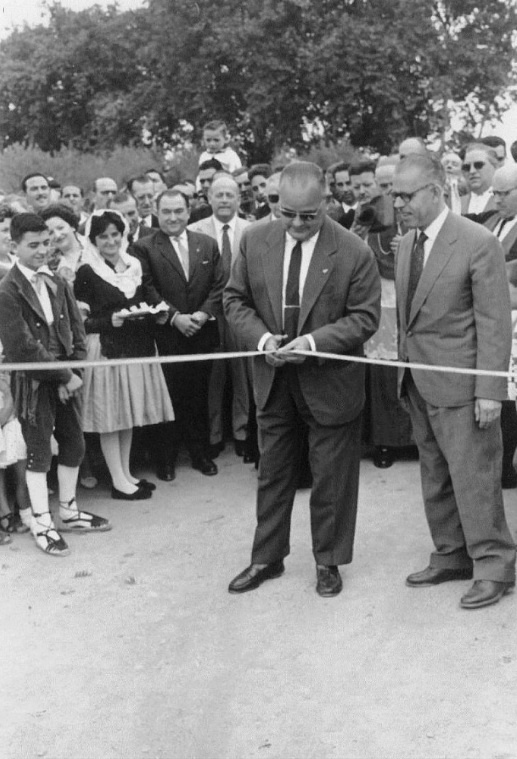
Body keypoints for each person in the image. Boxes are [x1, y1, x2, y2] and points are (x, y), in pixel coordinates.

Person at [224, 161, 381, 597]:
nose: (295, 223)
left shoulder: (353, 251)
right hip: (272, 380)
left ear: (326, 202)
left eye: (307, 216)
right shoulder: (255, 239)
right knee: (272, 472)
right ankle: (267, 557)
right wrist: (262, 339)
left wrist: (311, 343)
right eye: (285, 212)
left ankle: (328, 561)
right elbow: (235, 299)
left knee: (332, 476)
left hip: (330, 383)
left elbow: (365, 318)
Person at [393, 153, 516, 609]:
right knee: (436, 475)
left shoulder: (476, 241)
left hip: (464, 388)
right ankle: (451, 554)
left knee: (476, 477)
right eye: (394, 196)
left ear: (437, 190)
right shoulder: (408, 243)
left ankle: (495, 565)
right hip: (417, 383)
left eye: (406, 195)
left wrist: (489, 391)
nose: (398, 204)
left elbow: (494, 322)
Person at [0, 213, 111, 557]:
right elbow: (21, 347)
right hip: (32, 383)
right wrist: (63, 376)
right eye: (32, 245)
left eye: (46, 243)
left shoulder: (60, 282)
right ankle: (42, 523)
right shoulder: (7, 290)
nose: (41, 251)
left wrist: (72, 371)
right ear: (13, 246)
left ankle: (69, 509)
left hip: (66, 379)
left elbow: (76, 333)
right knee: (38, 452)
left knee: (74, 443)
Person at [74, 210, 174, 499]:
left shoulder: (134, 265)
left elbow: (145, 300)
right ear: (93, 240)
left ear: (123, 235)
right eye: (103, 236)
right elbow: (80, 322)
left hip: (136, 347)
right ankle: (118, 481)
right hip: (107, 350)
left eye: (115, 234)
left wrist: (157, 312)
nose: (110, 241)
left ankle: (127, 473)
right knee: (111, 416)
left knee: (127, 414)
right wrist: (110, 321)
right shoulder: (87, 272)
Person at [131, 189, 225, 480]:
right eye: (167, 211)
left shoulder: (207, 244)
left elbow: (220, 284)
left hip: (202, 332)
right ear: (158, 212)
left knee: (198, 395)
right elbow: (147, 288)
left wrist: (201, 314)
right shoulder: (143, 247)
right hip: (167, 335)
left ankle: (200, 453)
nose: (173, 218)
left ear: (188, 212)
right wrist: (174, 318)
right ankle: (166, 459)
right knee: (168, 396)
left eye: (179, 211)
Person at [188, 175, 251, 458]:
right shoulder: (194, 231)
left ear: (239, 199)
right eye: (219, 195)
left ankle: (243, 432)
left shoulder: (253, 230)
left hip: (242, 312)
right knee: (212, 378)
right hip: (208, 314)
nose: (224, 200)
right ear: (209, 198)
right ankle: (213, 436)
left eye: (230, 194)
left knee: (243, 375)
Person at [40, 204, 85, 284]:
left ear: (72, 226)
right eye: (51, 233)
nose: (57, 235)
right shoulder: (49, 264)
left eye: (60, 228)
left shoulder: (93, 248)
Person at [460, 143, 498, 221]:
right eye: (467, 167)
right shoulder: (456, 204)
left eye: (478, 165)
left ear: (495, 167)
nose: (472, 171)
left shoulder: (506, 202)